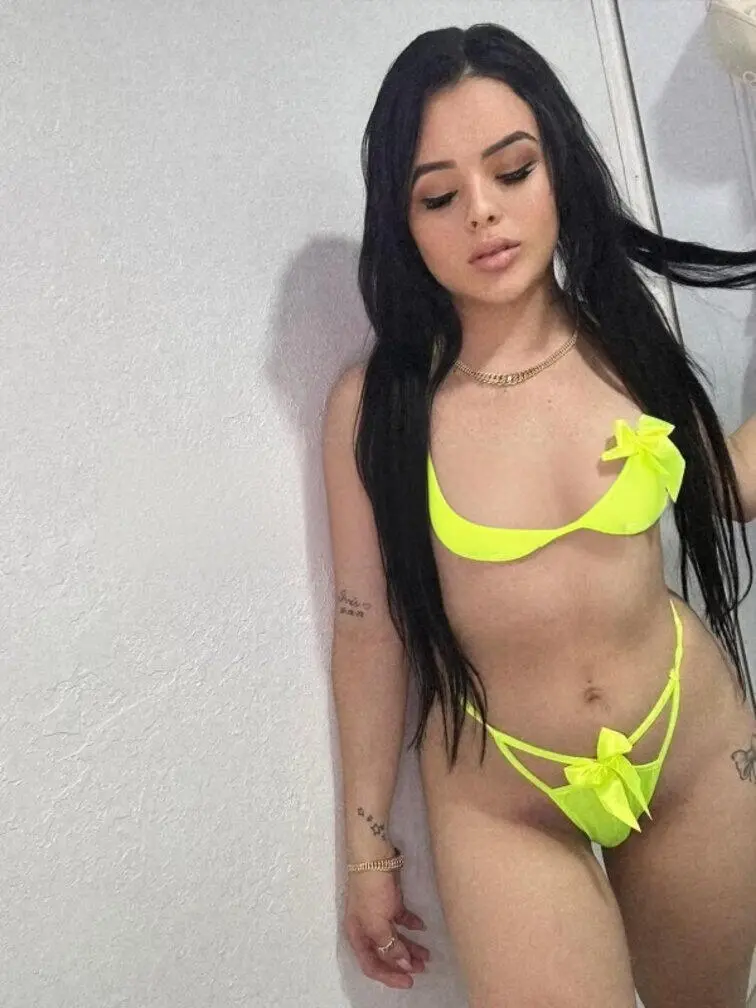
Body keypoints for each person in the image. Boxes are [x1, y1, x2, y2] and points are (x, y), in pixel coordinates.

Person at [321, 23, 756, 1008]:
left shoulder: (623, 338)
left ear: (557, 168)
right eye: (438, 196)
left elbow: (723, 485)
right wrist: (366, 849)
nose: (483, 211)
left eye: (512, 171)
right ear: (402, 220)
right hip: (505, 798)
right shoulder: (377, 408)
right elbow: (368, 628)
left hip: (688, 746)